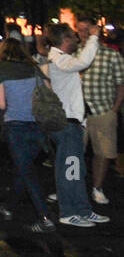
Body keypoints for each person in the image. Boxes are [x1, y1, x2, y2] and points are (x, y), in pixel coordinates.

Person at [42, 23, 107, 226]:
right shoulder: (59, 59)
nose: (77, 39)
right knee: (70, 171)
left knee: (75, 170)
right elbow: (83, 62)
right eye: (73, 36)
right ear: (65, 40)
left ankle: (82, 210)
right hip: (67, 125)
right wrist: (94, 38)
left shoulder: (56, 59)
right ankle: (69, 213)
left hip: (70, 124)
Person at [0, 36, 55, 232]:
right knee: (23, 169)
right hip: (37, 127)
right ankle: (9, 206)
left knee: (26, 171)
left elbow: (1, 104)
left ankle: (45, 217)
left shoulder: (0, 71)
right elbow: (49, 93)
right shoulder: (34, 69)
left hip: (15, 127)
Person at [76, 19, 123, 206]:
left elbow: (121, 85)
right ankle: (71, 187)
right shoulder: (73, 54)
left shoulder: (112, 55)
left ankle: (97, 188)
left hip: (103, 110)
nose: (85, 34)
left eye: (88, 30)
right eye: (81, 31)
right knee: (73, 152)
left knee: (102, 153)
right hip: (78, 113)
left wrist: (114, 110)